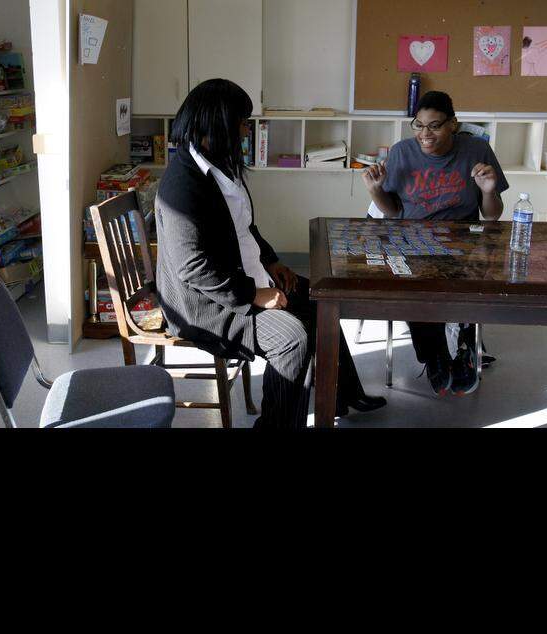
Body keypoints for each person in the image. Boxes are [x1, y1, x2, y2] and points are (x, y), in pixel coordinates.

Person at [155, 79, 385, 428]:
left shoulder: (219, 165)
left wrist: (271, 260)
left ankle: (343, 393)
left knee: (323, 299)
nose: (247, 129)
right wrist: (255, 295)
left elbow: (244, 226)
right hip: (207, 307)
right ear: (220, 123)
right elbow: (193, 268)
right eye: (242, 121)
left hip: (238, 278)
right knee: (292, 339)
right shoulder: (182, 184)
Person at [361, 91, 510, 396]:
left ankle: (466, 343)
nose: (425, 135)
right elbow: (393, 212)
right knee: (413, 284)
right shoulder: (402, 152)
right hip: (412, 237)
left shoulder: (477, 149)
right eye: (418, 125)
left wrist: (489, 190)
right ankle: (435, 356)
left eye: (435, 126)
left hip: (463, 239)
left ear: (453, 124)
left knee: (473, 277)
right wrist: (376, 190)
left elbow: (492, 216)